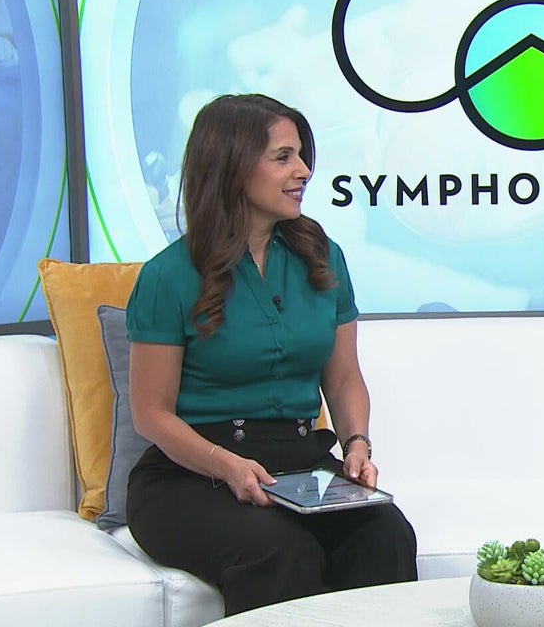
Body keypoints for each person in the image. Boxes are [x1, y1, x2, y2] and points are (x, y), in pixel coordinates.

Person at [124, 93, 418, 615]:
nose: (303, 171)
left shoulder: (323, 258)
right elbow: (150, 414)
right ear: (233, 168)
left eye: (302, 155)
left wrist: (356, 445)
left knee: (386, 534)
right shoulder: (168, 276)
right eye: (283, 157)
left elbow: (343, 378)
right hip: (192, 476)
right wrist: (226, 465)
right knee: (282, 550)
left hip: (300, 465)